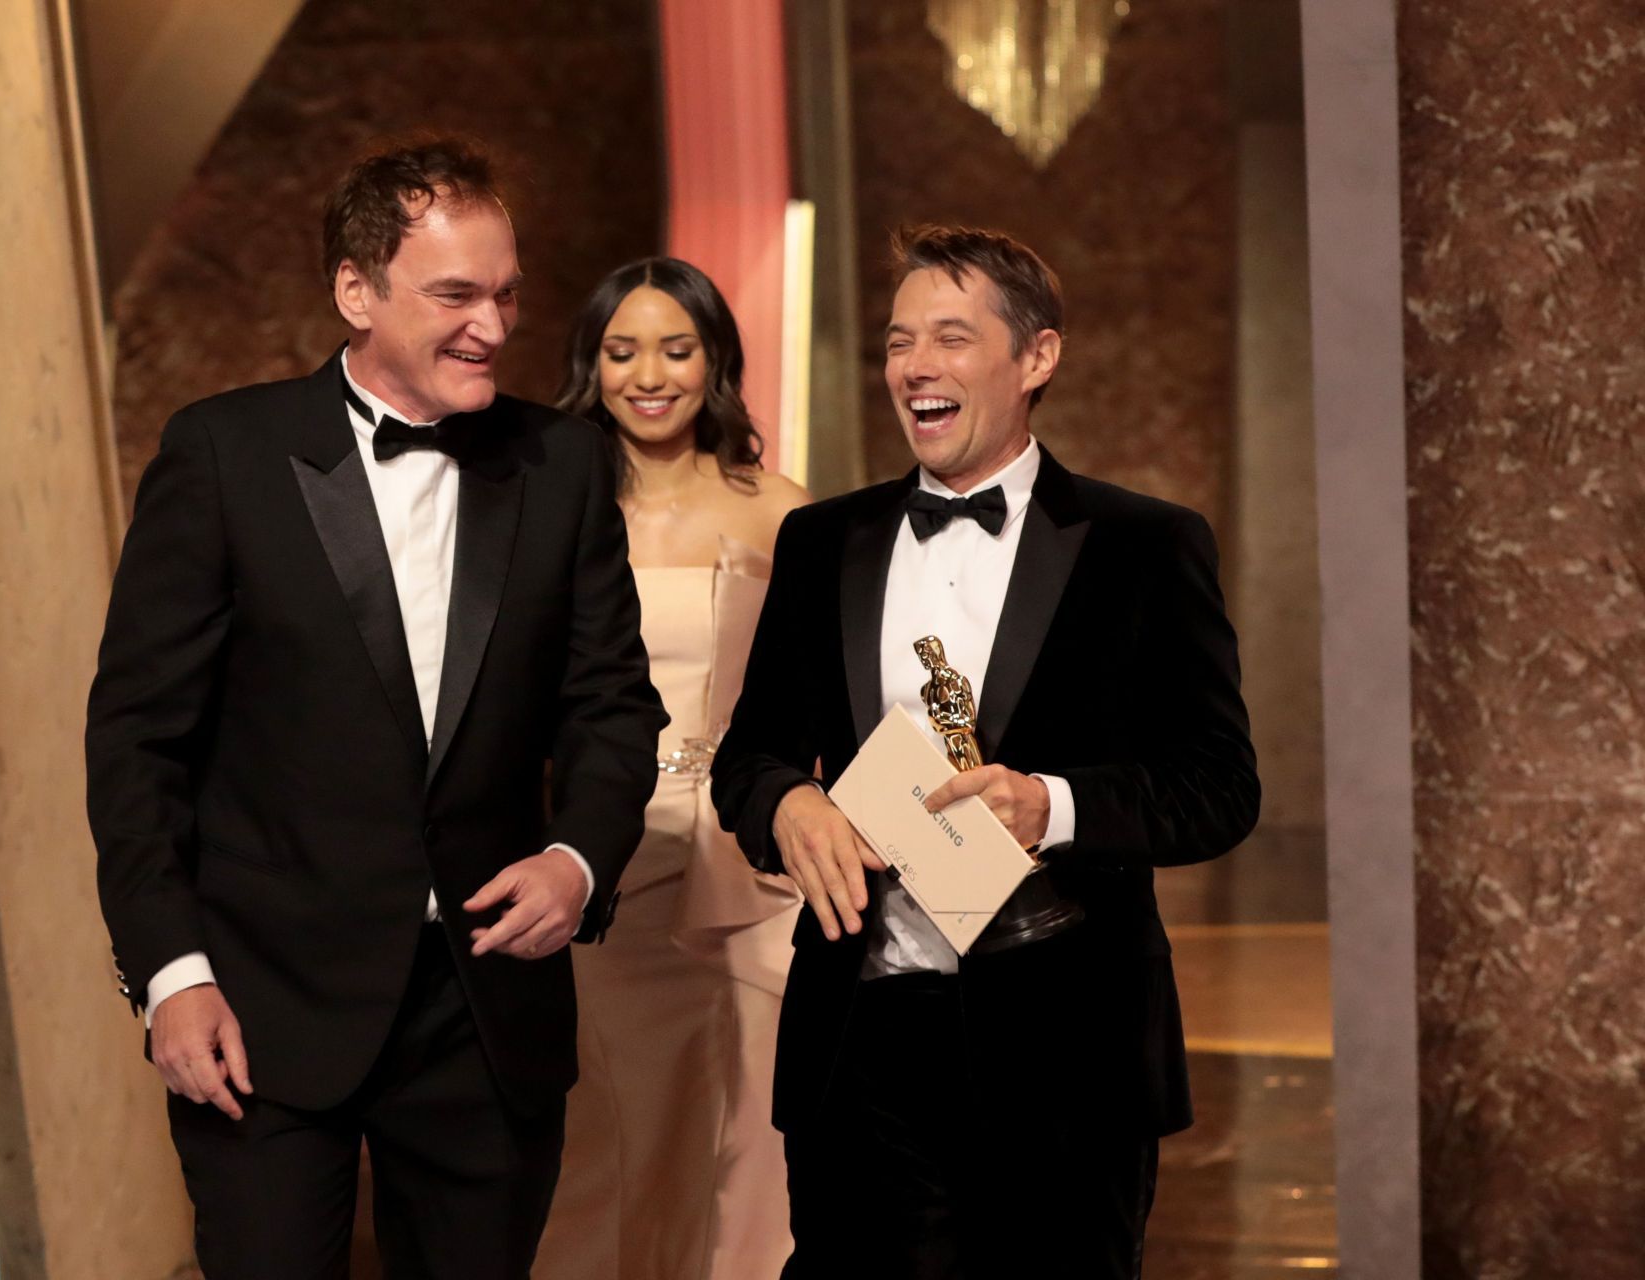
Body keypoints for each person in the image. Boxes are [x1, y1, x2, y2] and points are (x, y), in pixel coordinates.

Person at [85, 136, 667, 1279]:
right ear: (355, 290)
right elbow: (138, 738)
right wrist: (170, 971)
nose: (494, 326)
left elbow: (611, 704)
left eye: (507, 292)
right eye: (455, 293)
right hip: (256, 1005)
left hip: (487, 1010)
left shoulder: (563, 464)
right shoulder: (221, 453)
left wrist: (578, 859)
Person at [710, 224, 1260, 1278]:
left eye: (951, 338)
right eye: (898, 339)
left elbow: (1220, 788)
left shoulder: (1148, 543)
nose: (914, 365)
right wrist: (786, 802)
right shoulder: (826, 541)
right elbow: (753, 755)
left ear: (1036, 358)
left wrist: (1048, 806)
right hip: (859, 1037)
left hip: (1070, 1051)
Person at [534, 258, 808, 1279]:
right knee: (609, 1145)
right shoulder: (547, 506)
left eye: (677, 347)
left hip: (750, 875)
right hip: (599, 865)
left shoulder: (780, 509)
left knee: (751, 1155)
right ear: (590, 365)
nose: (649, 373)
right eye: (621, 349)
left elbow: (839, 696)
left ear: (716, 363)